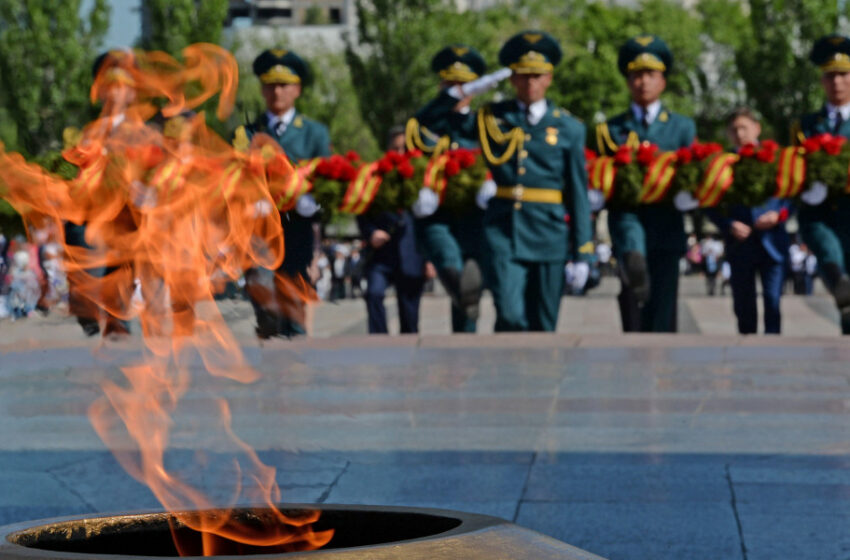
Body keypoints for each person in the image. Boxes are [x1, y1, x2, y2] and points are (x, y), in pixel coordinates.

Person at [417, 30, 593, 331]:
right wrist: (461, 92)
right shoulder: (491, 118)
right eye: (523, 75)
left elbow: (577, 193)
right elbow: (428, 123)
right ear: (511, 79)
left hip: (549, 234)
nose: (531, 82)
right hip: (504, 232)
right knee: (511, 316)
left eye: (538, 75)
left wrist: (582, 253)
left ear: (549, 78)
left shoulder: (569, 127)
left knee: (544, 324)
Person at [595, 35, 696, 332]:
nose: (643, 82)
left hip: (666, 221)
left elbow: (691, 169)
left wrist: (689, 194)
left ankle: (662, 367)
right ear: (627, 81)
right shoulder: (610, 128)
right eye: (636, 75)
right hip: (627, 217)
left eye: (650, 75)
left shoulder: (682, 126)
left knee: (664, 301)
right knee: (632, 296)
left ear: (663, 81)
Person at [234, 48, 332, 338]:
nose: (277, 91)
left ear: (297, 89)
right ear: (262, 89)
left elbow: (329, 181)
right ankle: (271, 348)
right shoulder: (247, 134)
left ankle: (293, 376)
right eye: (271, 85)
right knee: (263, 295)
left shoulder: (314, 133)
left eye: (284, 85)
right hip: (259, 232)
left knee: (293, 311)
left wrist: (312, 203)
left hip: (297, 231)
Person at [408, 44, 488, 333]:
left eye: (463, 85)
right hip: (436, 216)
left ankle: (465, 343)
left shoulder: (483, 124)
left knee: (469, 279)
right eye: (450, 84)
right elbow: (411, 157)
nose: (456, 90)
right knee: (450, 263)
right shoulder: (425, 123)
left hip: (473, 216)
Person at [709, 108, 790, 334]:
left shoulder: (775, 157)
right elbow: (709, 202)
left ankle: (772, 348)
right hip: (740, 243)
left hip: (772, 240)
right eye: (734, 130)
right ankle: (745, 349)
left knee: (773, 301)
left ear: (757, 128)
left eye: (744, 127)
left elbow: (792, 193)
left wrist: (779, 215)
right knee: (744, 305)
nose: (740, 133)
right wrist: (728, 224)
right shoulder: (721, 164)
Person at [790, 34, 850, 334]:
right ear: (821, 81)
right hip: (819, 213)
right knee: (831, 259)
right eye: (830, 76)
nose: (837, 82)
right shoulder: (806, 125)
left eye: (843, 74)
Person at [356, 127, 427, 334]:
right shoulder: (374, 176)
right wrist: (370, 233)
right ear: (388, 149)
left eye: (404, 148)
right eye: (396, 148)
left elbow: (430, 222)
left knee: (409, 320)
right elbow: (362, 212)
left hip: (412, 255)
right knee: (374, 294)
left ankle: (409, 360)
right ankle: (380, 346)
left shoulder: (423, 175)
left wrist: (430, 259)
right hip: (382, 255)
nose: (400, 153)